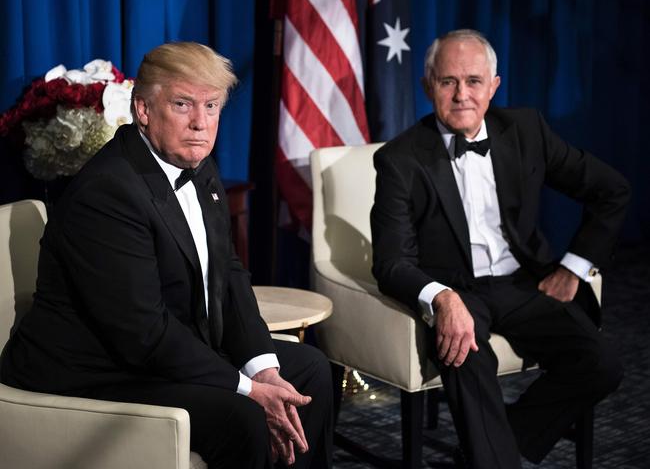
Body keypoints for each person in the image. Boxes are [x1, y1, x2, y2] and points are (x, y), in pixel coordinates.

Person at [0, 42, 332, 468]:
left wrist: (263, 369)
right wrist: (248, 389)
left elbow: (228, 274)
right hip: (97, 371)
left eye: (212, 106)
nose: (201, 123)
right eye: (182, 104)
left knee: (309, 371)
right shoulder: (108, 193)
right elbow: (143, 333)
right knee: (243, 413)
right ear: (143, 109)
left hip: (159, 350)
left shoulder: (198, 164)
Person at [371, 29, 629, 469]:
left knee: (602, 363)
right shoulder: (400, 159)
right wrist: (442, 298)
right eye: (448, 81)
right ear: (427, 85)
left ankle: (490, 449)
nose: (461, 95)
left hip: (522, 282)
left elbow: (612, 190)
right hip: (455, 289)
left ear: (494, 86)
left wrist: (575, 266)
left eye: (473, 81)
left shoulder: (526, 130)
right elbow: (391, 262)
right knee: (464, 356)